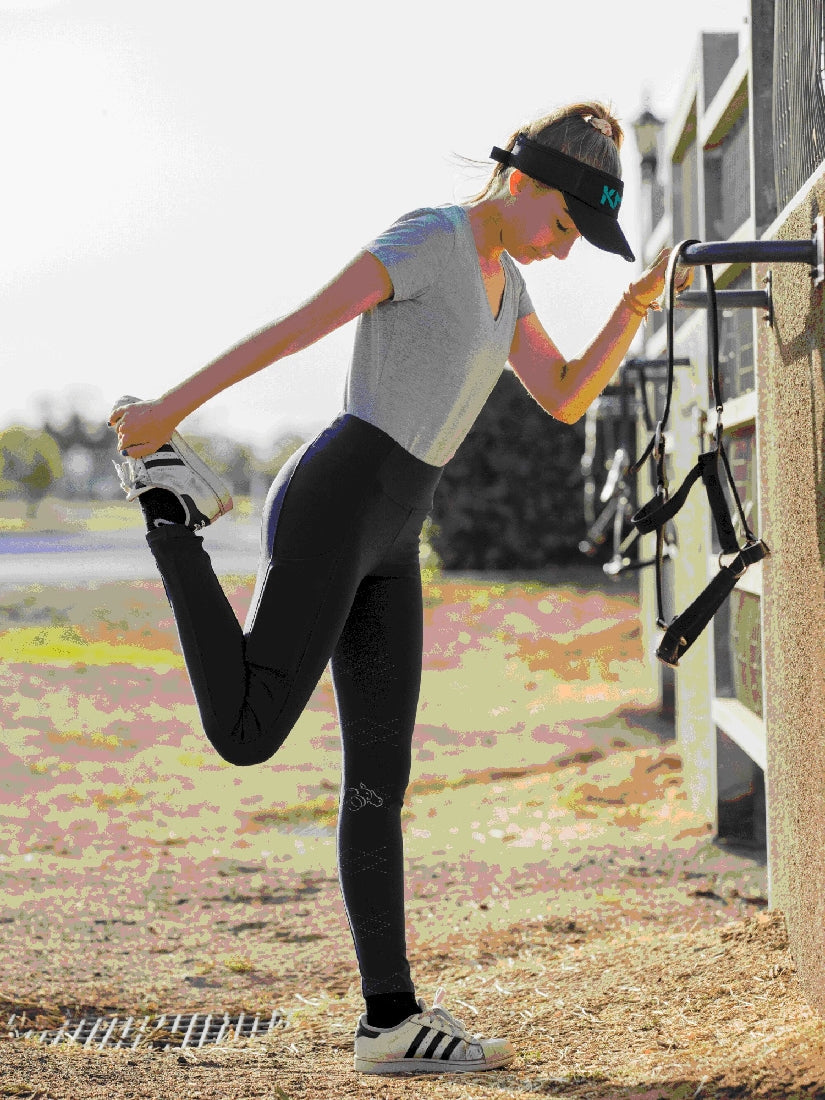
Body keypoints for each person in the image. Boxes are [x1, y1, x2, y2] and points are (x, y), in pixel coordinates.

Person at [108, 101, 690, 1076]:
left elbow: (567, 394)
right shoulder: (432, 239)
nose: (564, 247)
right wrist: (169, 409)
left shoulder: (508, 292)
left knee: (380, 779)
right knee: (246, 730)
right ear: (523, 181)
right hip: (337, 500)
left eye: (581, 239)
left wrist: (635, 303)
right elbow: (299, 328)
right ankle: (170, 513)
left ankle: (390, 1018)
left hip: (394, 530)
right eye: (564, 225)